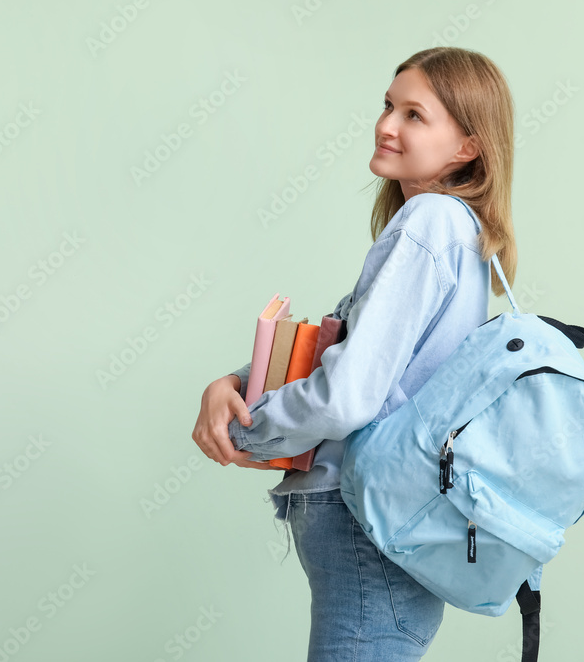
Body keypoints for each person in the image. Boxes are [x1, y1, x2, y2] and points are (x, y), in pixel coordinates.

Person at [191, 46, 518, 660]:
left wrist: (248, 430)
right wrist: (230, 384)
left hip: (364, 522)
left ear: (467, 147)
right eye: (388, 106)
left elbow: (347, 396)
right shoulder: (450, 231)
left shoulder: (430, 223)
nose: (386, 124)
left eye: (414, 115)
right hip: (381, 523)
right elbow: (346, 353)